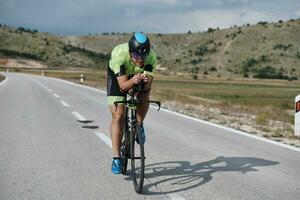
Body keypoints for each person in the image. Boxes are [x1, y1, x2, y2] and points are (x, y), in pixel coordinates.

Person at [107, 32, 157, 174]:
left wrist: (144, 83)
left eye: (143, 56)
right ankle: (116, 158)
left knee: (145, 94)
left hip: (138, 75)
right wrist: (133, 81)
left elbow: (147, 88)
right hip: (119, 78)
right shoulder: (119, 55)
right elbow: (123, 86)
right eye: (136, 56)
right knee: (118, 115)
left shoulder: (152, 57)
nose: (140, 60)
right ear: (130, 53)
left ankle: (139, 125)